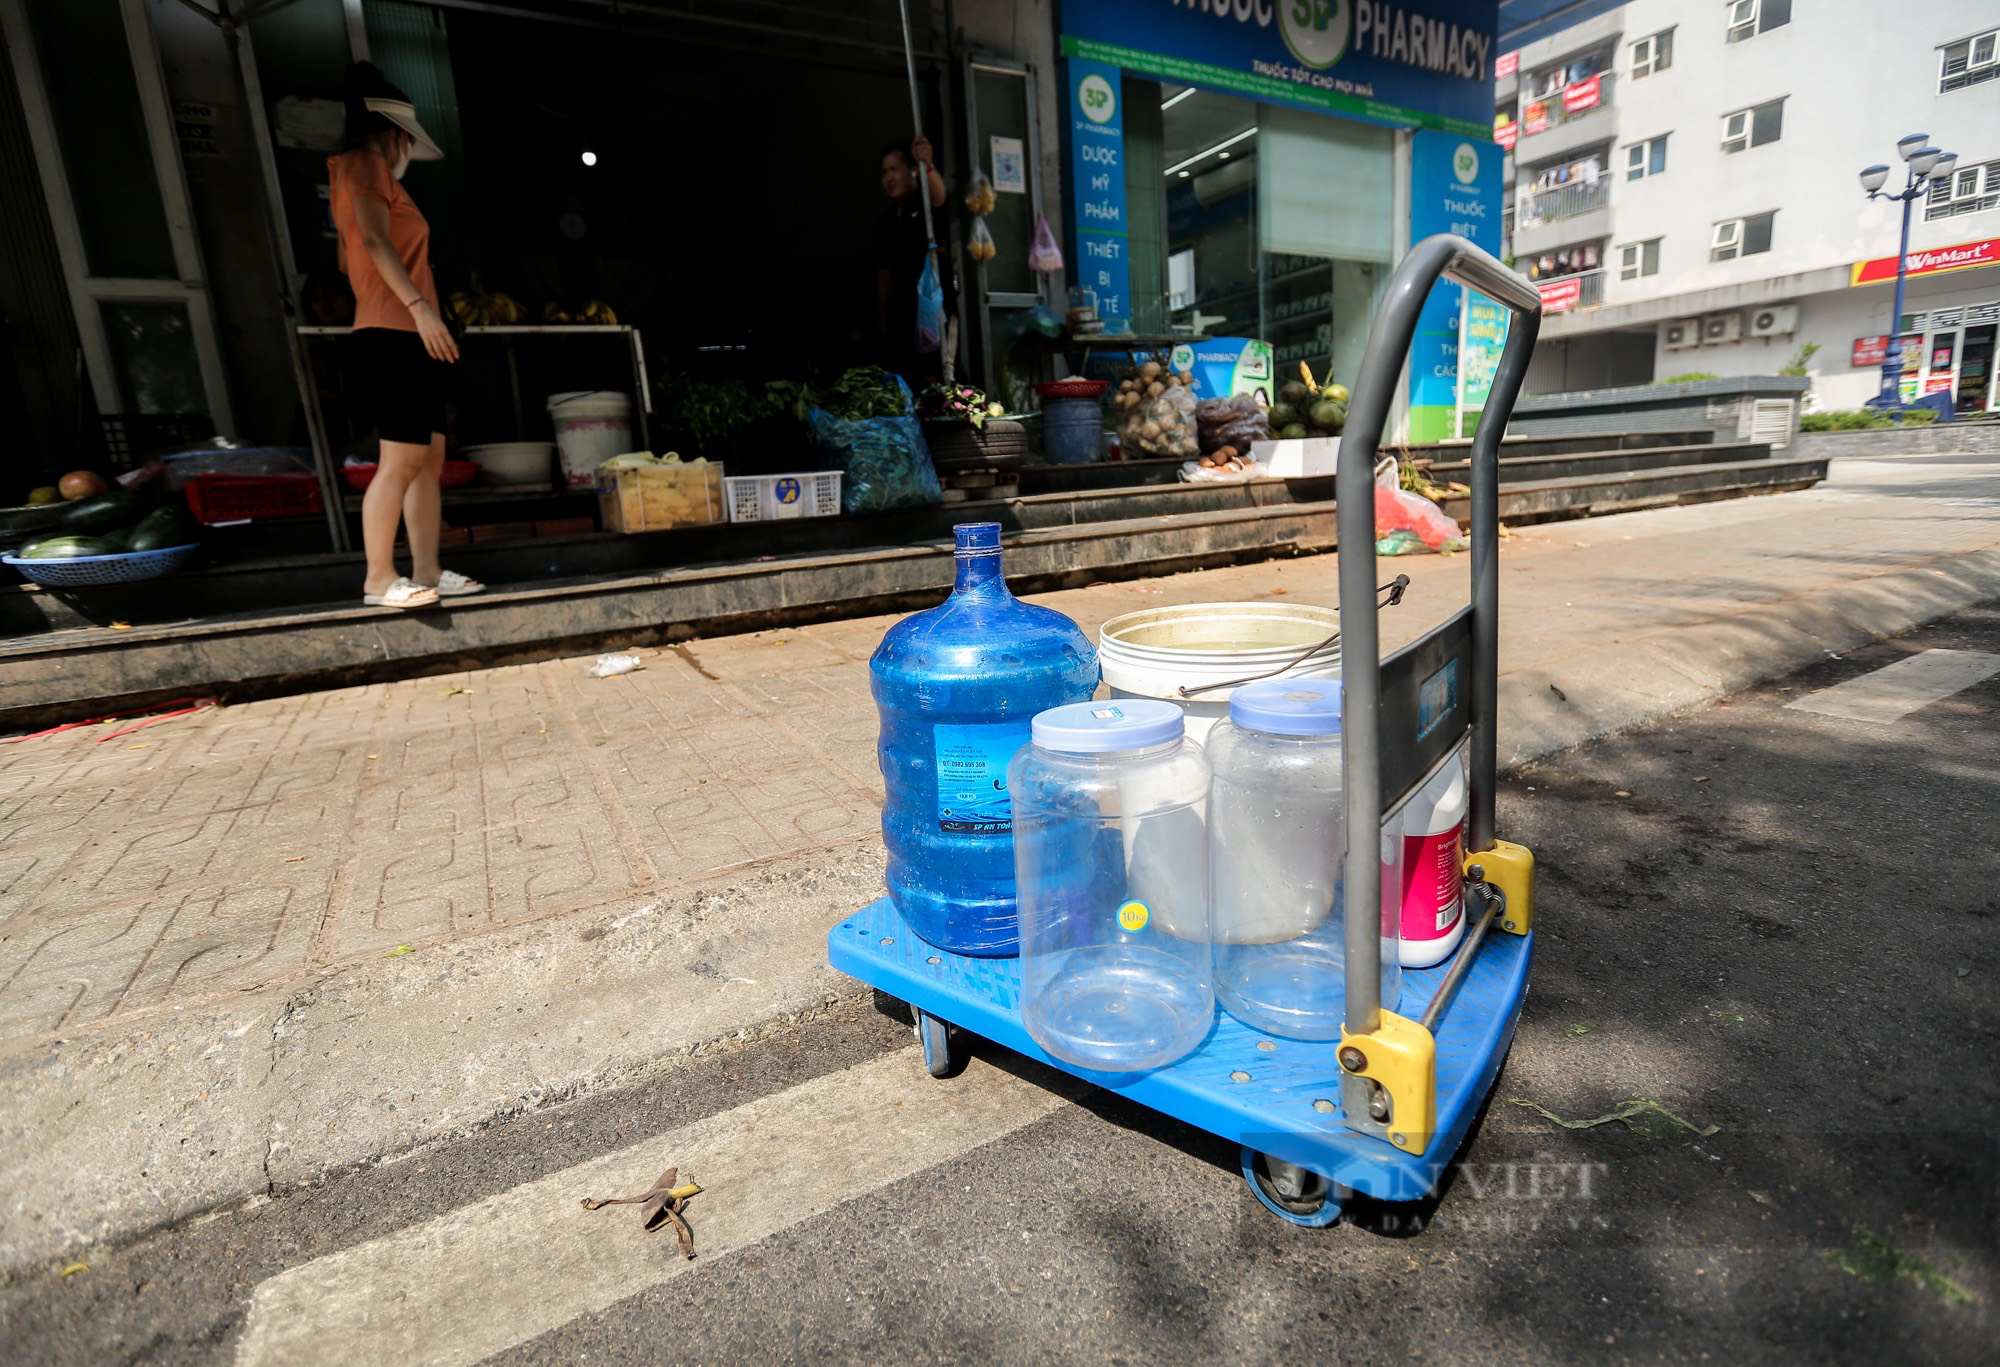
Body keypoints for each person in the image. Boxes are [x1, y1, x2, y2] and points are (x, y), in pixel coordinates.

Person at [328, 62, 483, 609]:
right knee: (399, 460)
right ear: (396, 134)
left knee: (429, 459)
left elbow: (349, 260)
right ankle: (377, 578)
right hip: (394, 331)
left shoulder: (366, 173)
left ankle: (428, 570)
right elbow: (371, 241)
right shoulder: (364, 162)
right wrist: (418, 307)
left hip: (410, 332)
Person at [873, 135, 956, 389]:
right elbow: (884, 272)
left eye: (894, 169)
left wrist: (927, 165)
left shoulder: (924, 203)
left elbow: (939, 196)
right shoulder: (886, 221)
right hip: (903, 309)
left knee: (934, 374)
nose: (888, 177)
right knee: (903, 378)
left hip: (931, 305)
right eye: (884, 172)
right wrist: (883, 319)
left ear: (911, 172)